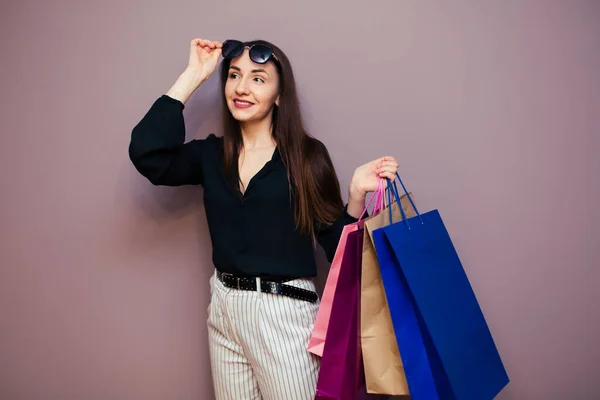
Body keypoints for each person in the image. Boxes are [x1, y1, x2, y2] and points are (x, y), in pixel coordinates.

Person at [128, 38, 399, 400]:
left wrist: (354, 197)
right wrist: (194, 75)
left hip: (284, 312)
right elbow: (148, 154)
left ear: (279, 95)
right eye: (234, 76)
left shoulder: (306, 158)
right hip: (224, 307)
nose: (241, 87)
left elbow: (338, 255)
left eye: (258, 78)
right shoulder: (213, 154)